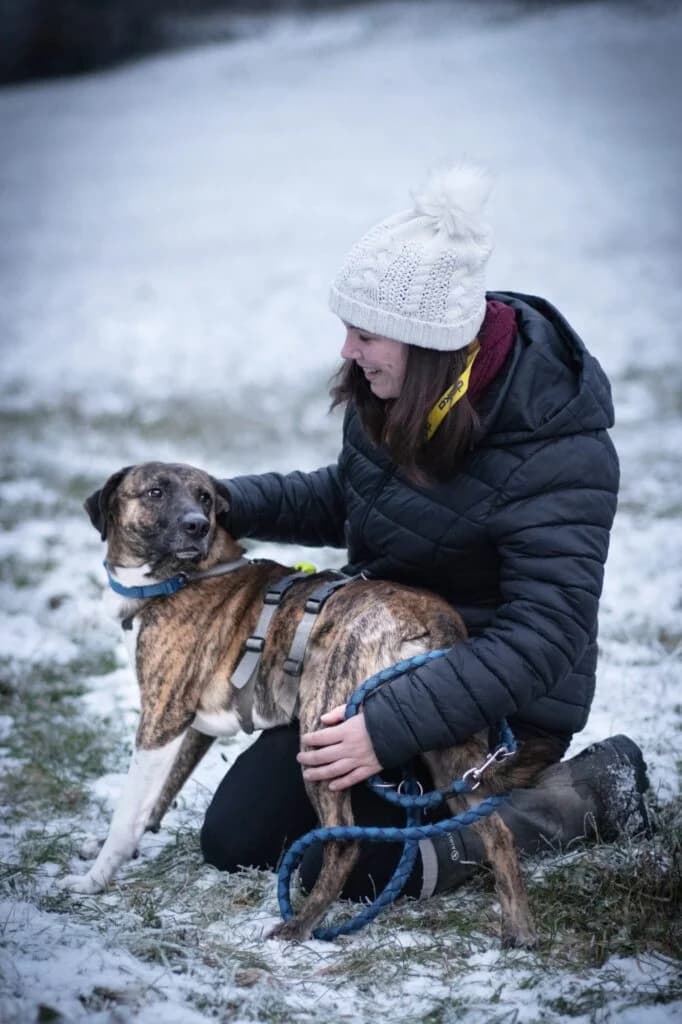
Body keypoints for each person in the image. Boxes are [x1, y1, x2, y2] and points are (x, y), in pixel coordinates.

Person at [200, 163, 650, 901]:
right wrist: (217, 504)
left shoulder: (555, 444)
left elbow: (546, 635)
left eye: (366, 333)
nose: (347, 350)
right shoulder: (397, 395)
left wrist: (389, 725)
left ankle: (585, 793)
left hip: (497, 710)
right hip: (378, 670)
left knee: (344, 868)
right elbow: (351, 497)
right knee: (235, 840)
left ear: (428, 340)